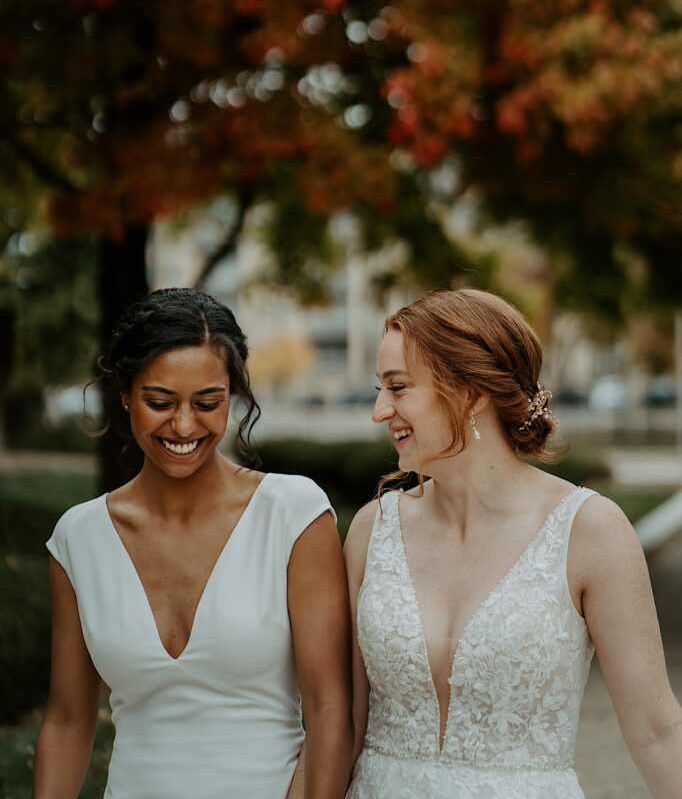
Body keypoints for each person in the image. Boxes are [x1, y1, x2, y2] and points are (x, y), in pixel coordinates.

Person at [344, 288, 682, 799]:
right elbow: (343, 723)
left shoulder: (590, 531)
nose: (378, 410)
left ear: (470, 391)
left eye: (398, 387)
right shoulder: (372, 530)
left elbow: (657, 731)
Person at [34, 287, 352, 799]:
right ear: (124, 396)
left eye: (208, 403)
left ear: (234, 396)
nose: (184, 425)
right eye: (159, 402)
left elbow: (330, 709)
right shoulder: (79, 537)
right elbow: (69, 721)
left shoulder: (292, 514)